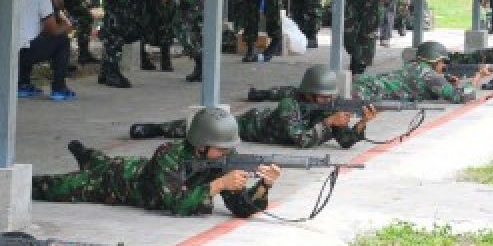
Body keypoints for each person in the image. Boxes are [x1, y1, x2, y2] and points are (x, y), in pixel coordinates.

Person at [32, 108, 280, 218]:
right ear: (201, 144)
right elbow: (176, 204)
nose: (227, 154)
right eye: (221, 149)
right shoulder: (169, 154)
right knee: (52, 187)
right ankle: (87, 157)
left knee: (99, 161)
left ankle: (87, 155)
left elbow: (241, 209)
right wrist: (218, 185)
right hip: (113, 182)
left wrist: (263, 186)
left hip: (132, 169)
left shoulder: (221, 160)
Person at [130, 65, 375, 149]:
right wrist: (328, 123)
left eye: (329, 97)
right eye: (321, 97)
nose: (326, 101)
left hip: (274, 129)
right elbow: (300, 140)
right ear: (309, 93)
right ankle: (156, 128)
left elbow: (345, 141)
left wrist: (361, 123)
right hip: (252, 125)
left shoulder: (328, 110)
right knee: (201, 129)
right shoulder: (290, 105)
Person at [249, 41, 488, 105]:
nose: (443, 67)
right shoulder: (430, 75)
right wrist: (476, 80)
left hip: (365, 84)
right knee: (316, 99)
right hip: (366, 92)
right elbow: (460, 96)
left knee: (308, 92)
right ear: (435, 61)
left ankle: (263, 94)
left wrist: (449, 80)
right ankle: (267, 96)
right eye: (442, 63)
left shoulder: (419, 69)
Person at [17, 0, 77, 101]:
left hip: (16, 53)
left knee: (29, 39)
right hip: (25, 53)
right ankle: (59, 88)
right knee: (62, 40)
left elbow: (39, 30)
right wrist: (67, 26)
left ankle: (22, 84)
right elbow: (53, 30)